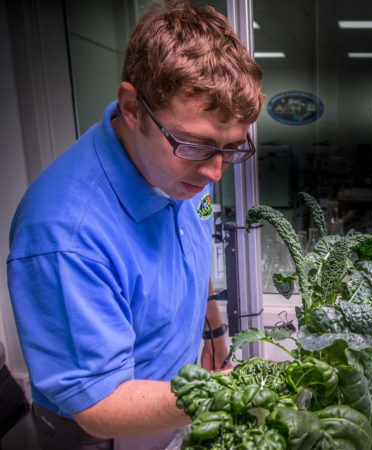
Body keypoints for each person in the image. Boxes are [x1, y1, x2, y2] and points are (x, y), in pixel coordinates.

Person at [6, 2, 263, 448]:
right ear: (132, 108)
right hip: (100, 433)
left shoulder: (182, 166)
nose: (215, 173)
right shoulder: (64, 236)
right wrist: (229, 392)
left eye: (232, 147)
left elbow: (188, 249)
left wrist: (213, 330)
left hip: (174, 401)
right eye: (198, 146)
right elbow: (98, 406)